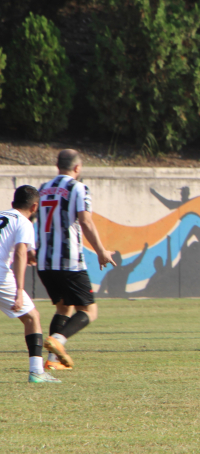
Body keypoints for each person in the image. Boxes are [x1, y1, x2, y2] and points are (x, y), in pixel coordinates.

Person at [37, 149, 116, 370]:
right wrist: (101, 250)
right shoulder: (78, 188)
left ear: (57, 165)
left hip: (44, 262)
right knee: (89, 311)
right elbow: (86, 221)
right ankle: (57, 341)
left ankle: (52, 362)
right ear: (77, 167)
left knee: (63, 308)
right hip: (69, 261)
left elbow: (35, 219)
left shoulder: (42, 189)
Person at [0, 186, 60, 383]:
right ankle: (37, 372)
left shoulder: (3, 216)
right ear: (35, 206)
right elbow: (19, 253)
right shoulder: (24, 222)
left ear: (12, 203)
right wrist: (18, 290)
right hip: (1, 276)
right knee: (32, 317)